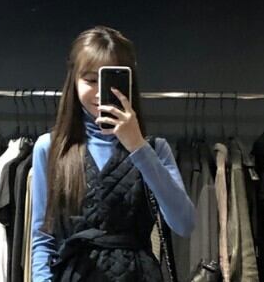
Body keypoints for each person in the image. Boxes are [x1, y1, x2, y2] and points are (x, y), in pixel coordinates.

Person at [31, 25, 195, 282]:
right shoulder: (50, 148)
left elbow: (185, 224)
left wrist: (138, 146)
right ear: (73, 82)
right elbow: (43, 239)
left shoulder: (155, 149)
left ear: (129, 83)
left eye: (109, 81)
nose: (100, 92)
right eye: (90, 80)